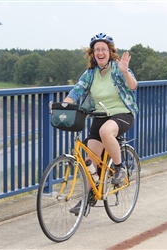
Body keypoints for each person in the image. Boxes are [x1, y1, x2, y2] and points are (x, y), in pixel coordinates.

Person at [63, 33, 138, 213]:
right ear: (93, 53)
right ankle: (87, 198)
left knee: (106, 131)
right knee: (91, 161)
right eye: (97, 49)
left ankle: (120, 168)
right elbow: (77, 90)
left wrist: (125, 71)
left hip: (122, 114)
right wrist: (64, 105)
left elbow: (133, 86)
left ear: (110, 51)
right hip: (100, 115)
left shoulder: (118, 68)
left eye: (103, 49)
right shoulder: (91, 73)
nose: (100, 52)